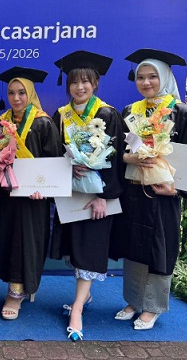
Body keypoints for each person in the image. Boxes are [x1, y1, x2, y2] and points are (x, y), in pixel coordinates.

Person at [111, 48, 187, 330]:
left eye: (152, 76)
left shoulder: (182, 112)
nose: (146, 82)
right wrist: (128, 158)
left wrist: (176, 190)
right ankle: (134, 300)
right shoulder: (131, 111)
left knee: (160, 248)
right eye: (141, 77)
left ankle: (152, 306)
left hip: (163, 195)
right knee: (134, 245)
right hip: (135, 191)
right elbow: (119, 150)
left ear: (165, 77)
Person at [50, 50, 125, 342]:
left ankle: (78, 309)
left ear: (95, 83)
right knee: (77, 248)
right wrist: (67, 167)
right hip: (71, 193)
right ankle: (85, 297)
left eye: (86, 81)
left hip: (97, 195)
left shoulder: (106, 114)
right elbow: (54, 153)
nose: (79, 87)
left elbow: (114, 160)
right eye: (74, 82)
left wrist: (104, 196)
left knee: (89, 250)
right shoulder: (61, 115)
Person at [0, 67, 61, 320]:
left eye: (22, 92)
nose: (16, 98)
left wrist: (44, 189)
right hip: (10, 194)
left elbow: (54, 161)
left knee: (27, 241)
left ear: (30, 93)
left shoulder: (43, 123)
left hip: (34, 198)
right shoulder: (1, 123)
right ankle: (15, 285)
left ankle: (17, 292)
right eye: (11, 93)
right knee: (11, 238)